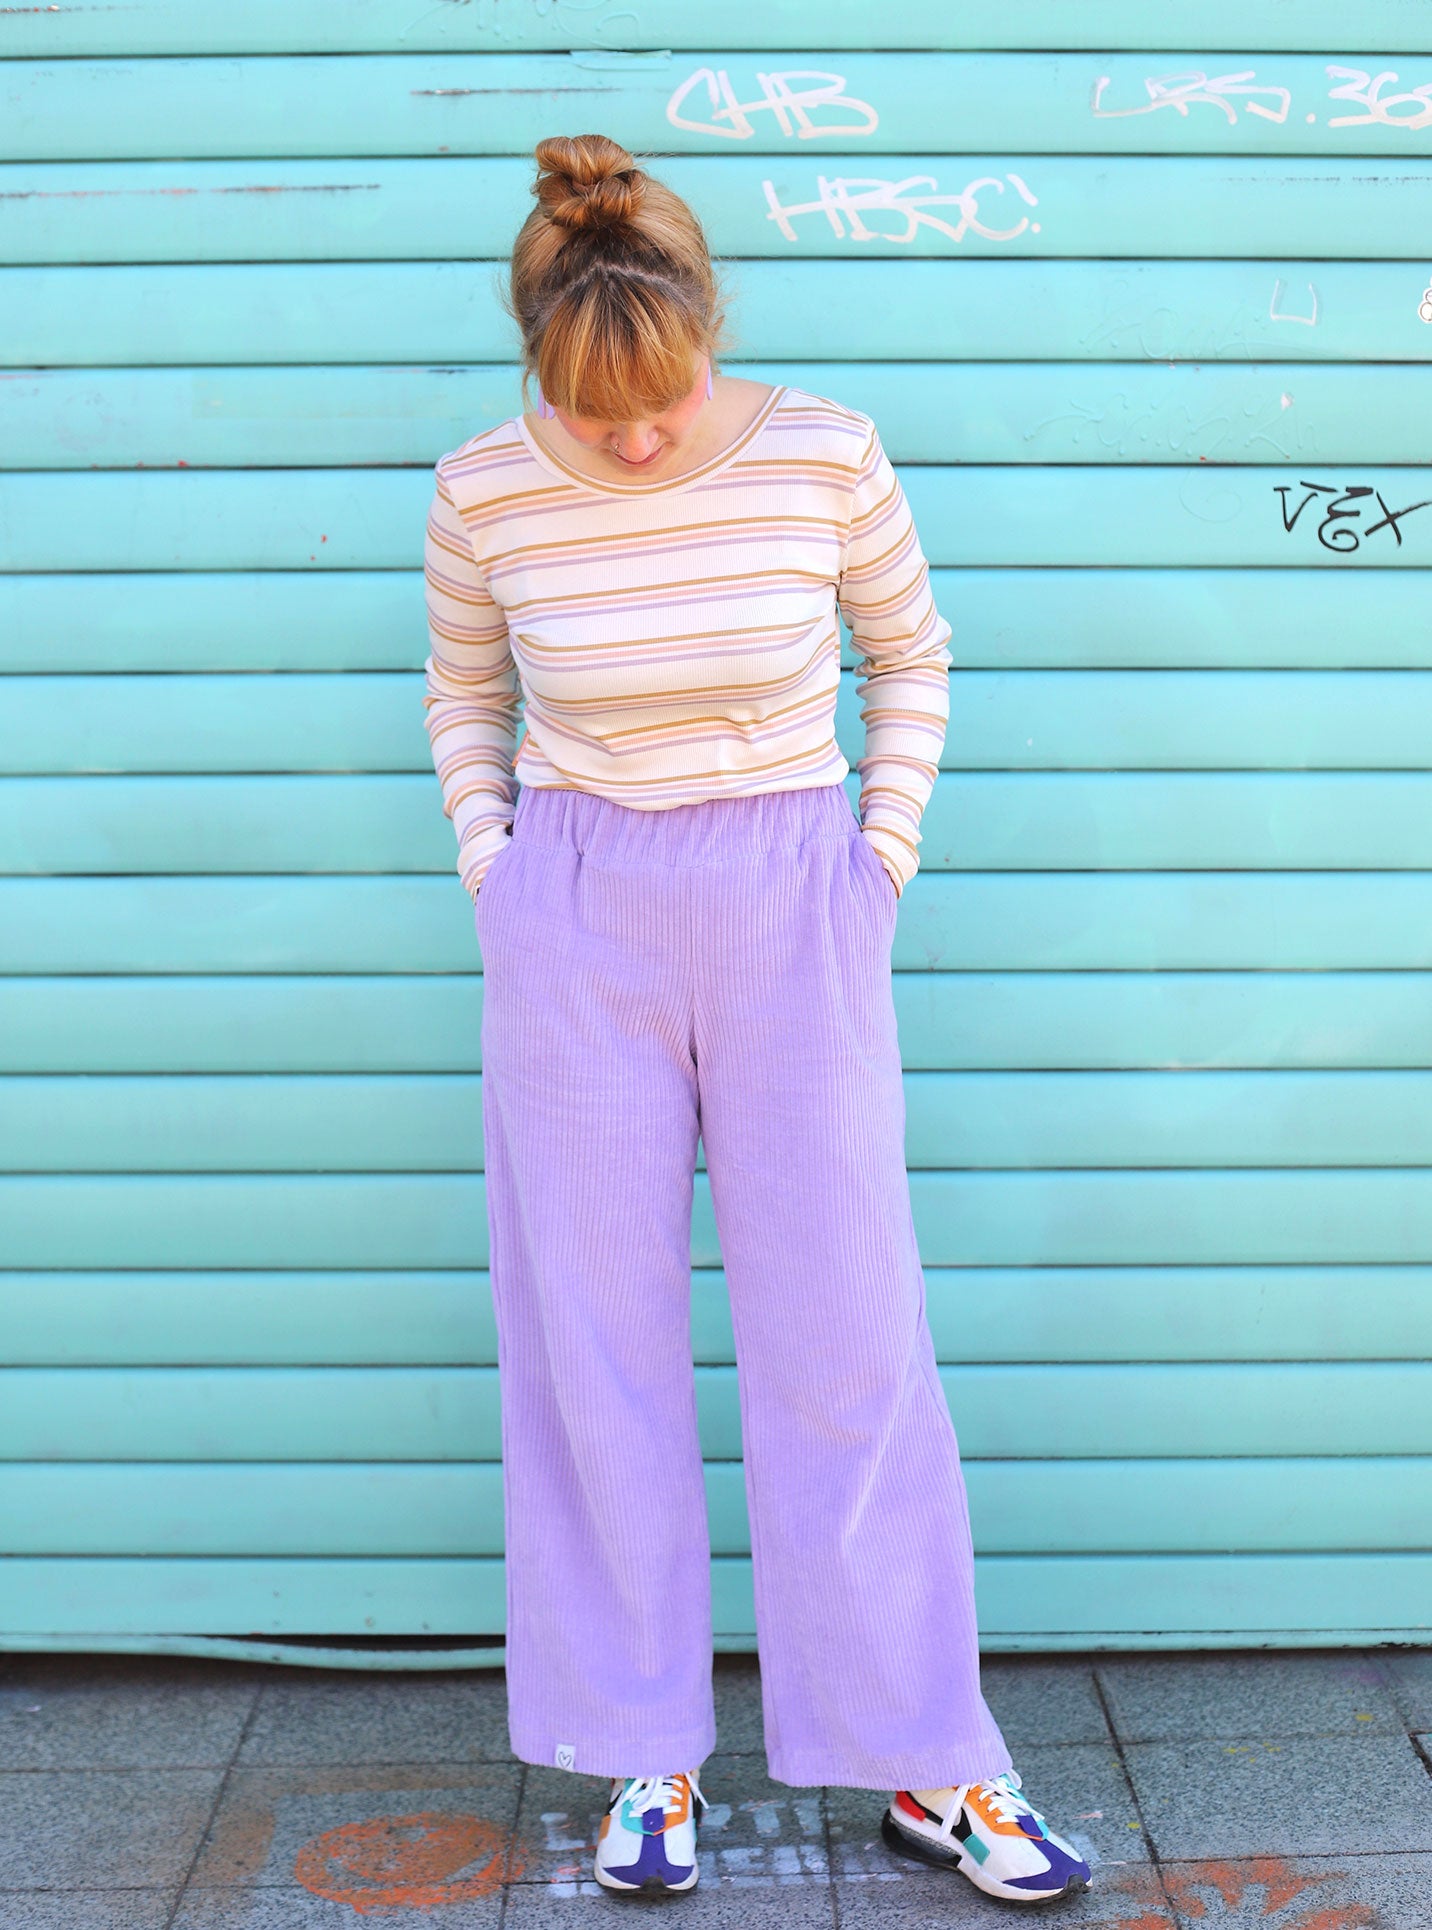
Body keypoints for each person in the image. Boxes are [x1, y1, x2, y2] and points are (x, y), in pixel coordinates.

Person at [421, 131, 1092, 1908]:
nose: (634, 442)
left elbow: (912, 652)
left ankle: (927, 1754)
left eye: (660, 401)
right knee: (594, 1345)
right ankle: (641, 1743)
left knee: (849, 1335)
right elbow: (462, 690)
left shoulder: (824, 451)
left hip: (796, 893)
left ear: (707, 331)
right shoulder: (484, 486)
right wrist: (497, 869)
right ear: (540, 363)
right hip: (577, 909)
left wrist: (879, 858)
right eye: (595, 412)